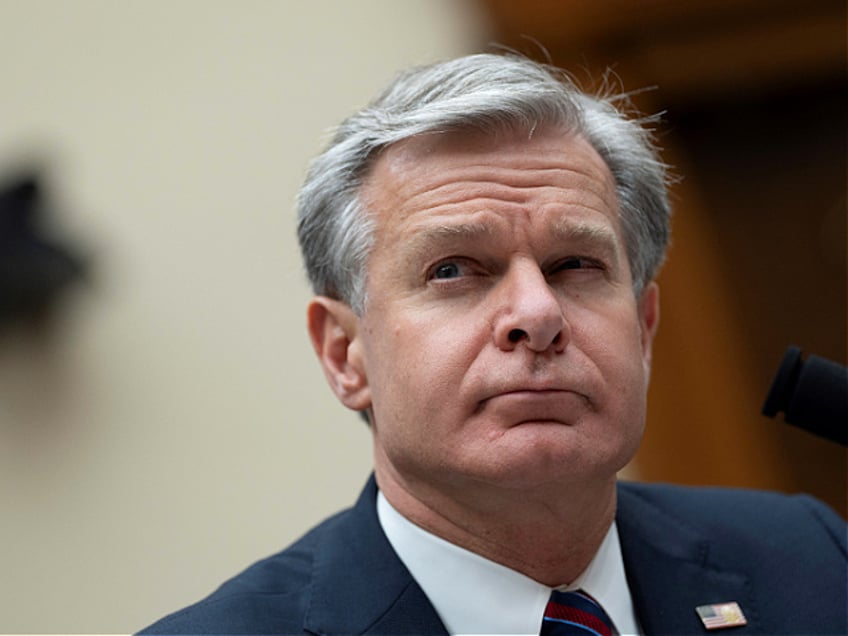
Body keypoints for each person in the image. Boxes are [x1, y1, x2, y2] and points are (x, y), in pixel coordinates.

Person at [141, 54, 847, 635]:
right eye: (453, 270)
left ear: (645, 329)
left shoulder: (811, 559)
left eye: (576, 264)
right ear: (344, 354)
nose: (538, 314)